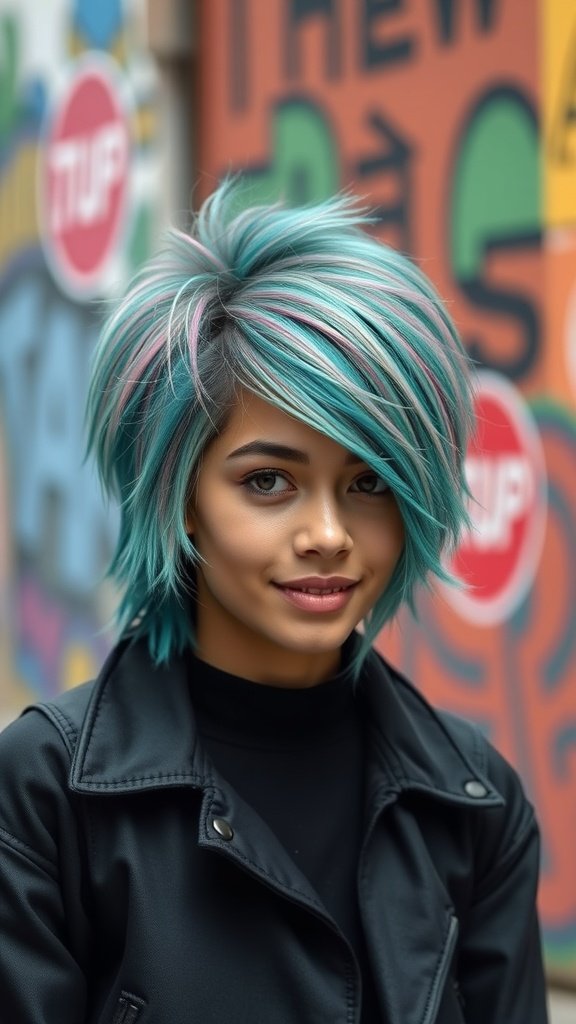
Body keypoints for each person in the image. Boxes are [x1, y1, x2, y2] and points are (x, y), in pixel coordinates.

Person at [0, 181, 548, 1024]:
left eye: (369, 483)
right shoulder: (47, 792)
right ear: (180, 495)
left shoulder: (475, 806)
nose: (328, 532)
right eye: (269, 482)